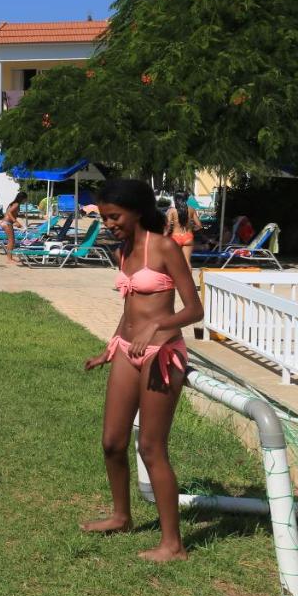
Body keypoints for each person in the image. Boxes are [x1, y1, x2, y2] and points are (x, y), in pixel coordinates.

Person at [82, 180, 202, 562]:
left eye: (114, 216)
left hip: (161, 352)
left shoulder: (164, 247)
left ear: (136, 211)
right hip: (126, 350)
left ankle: (173, 545)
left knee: (151, 447)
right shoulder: (123, 252)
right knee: (112, 443)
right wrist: (110, 346)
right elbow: (131, 308)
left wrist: (157, 327)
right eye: (104, 217)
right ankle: (121, 517)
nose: (108, 224)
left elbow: (194, 310)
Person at [165, 192, 201, 267]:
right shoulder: (191, 209)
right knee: (187, 262)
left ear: (175, 199)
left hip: (176, 237)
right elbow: (199, 225)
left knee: (174, 262)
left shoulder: (172, 210)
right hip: (188, 236)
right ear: (186, 199)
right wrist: (192, 229)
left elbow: (167, 227)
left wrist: (163, 236)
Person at [1, 191, 27, 263]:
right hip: (7, 223)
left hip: (6, 222)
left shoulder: (13, 203)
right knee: (11, 241)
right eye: (25, 199)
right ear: (22, 198)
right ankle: (9, 259)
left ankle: (10, 257)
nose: (26, 201)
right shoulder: (16, 204)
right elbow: (9, 212)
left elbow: (11, 213)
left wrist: (18, 218)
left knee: (11, 241)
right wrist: (15, 221)